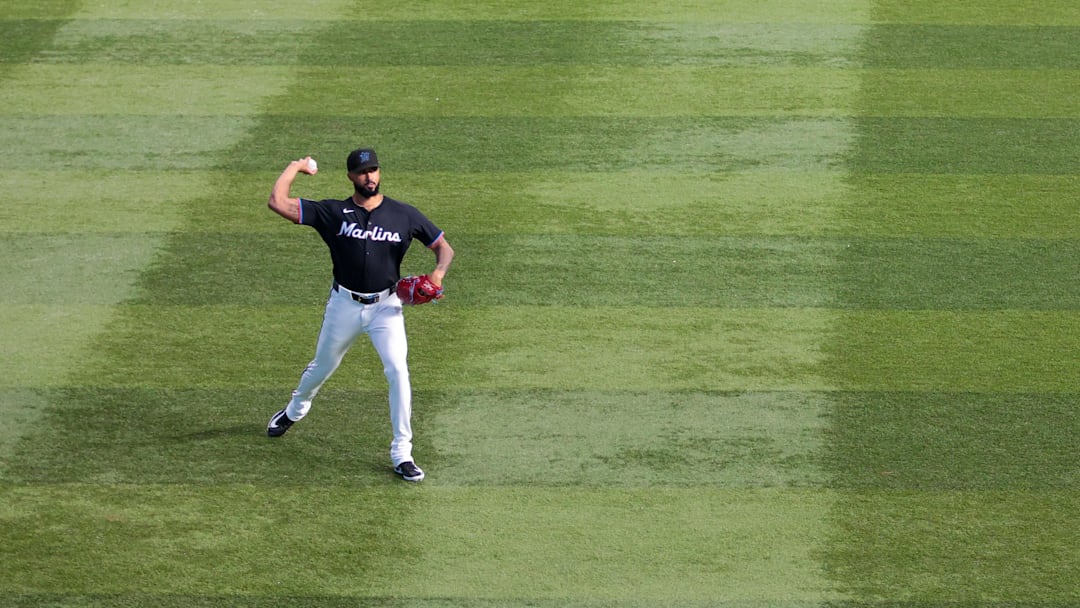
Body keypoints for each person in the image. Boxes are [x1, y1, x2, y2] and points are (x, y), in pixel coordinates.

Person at [264, 147, 454, 482]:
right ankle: (294, 411)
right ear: (351, 177)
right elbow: (278, 202)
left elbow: (443, 247)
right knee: (322, 367)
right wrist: (295, 166)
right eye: (363, 172)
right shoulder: (333, 213)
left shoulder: (403, 215)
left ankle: (402, 453)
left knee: (398, 371)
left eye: (374, 170)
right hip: (344, 306)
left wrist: (437, 274)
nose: (370, 177)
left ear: (380, 173)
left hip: (387, 307)